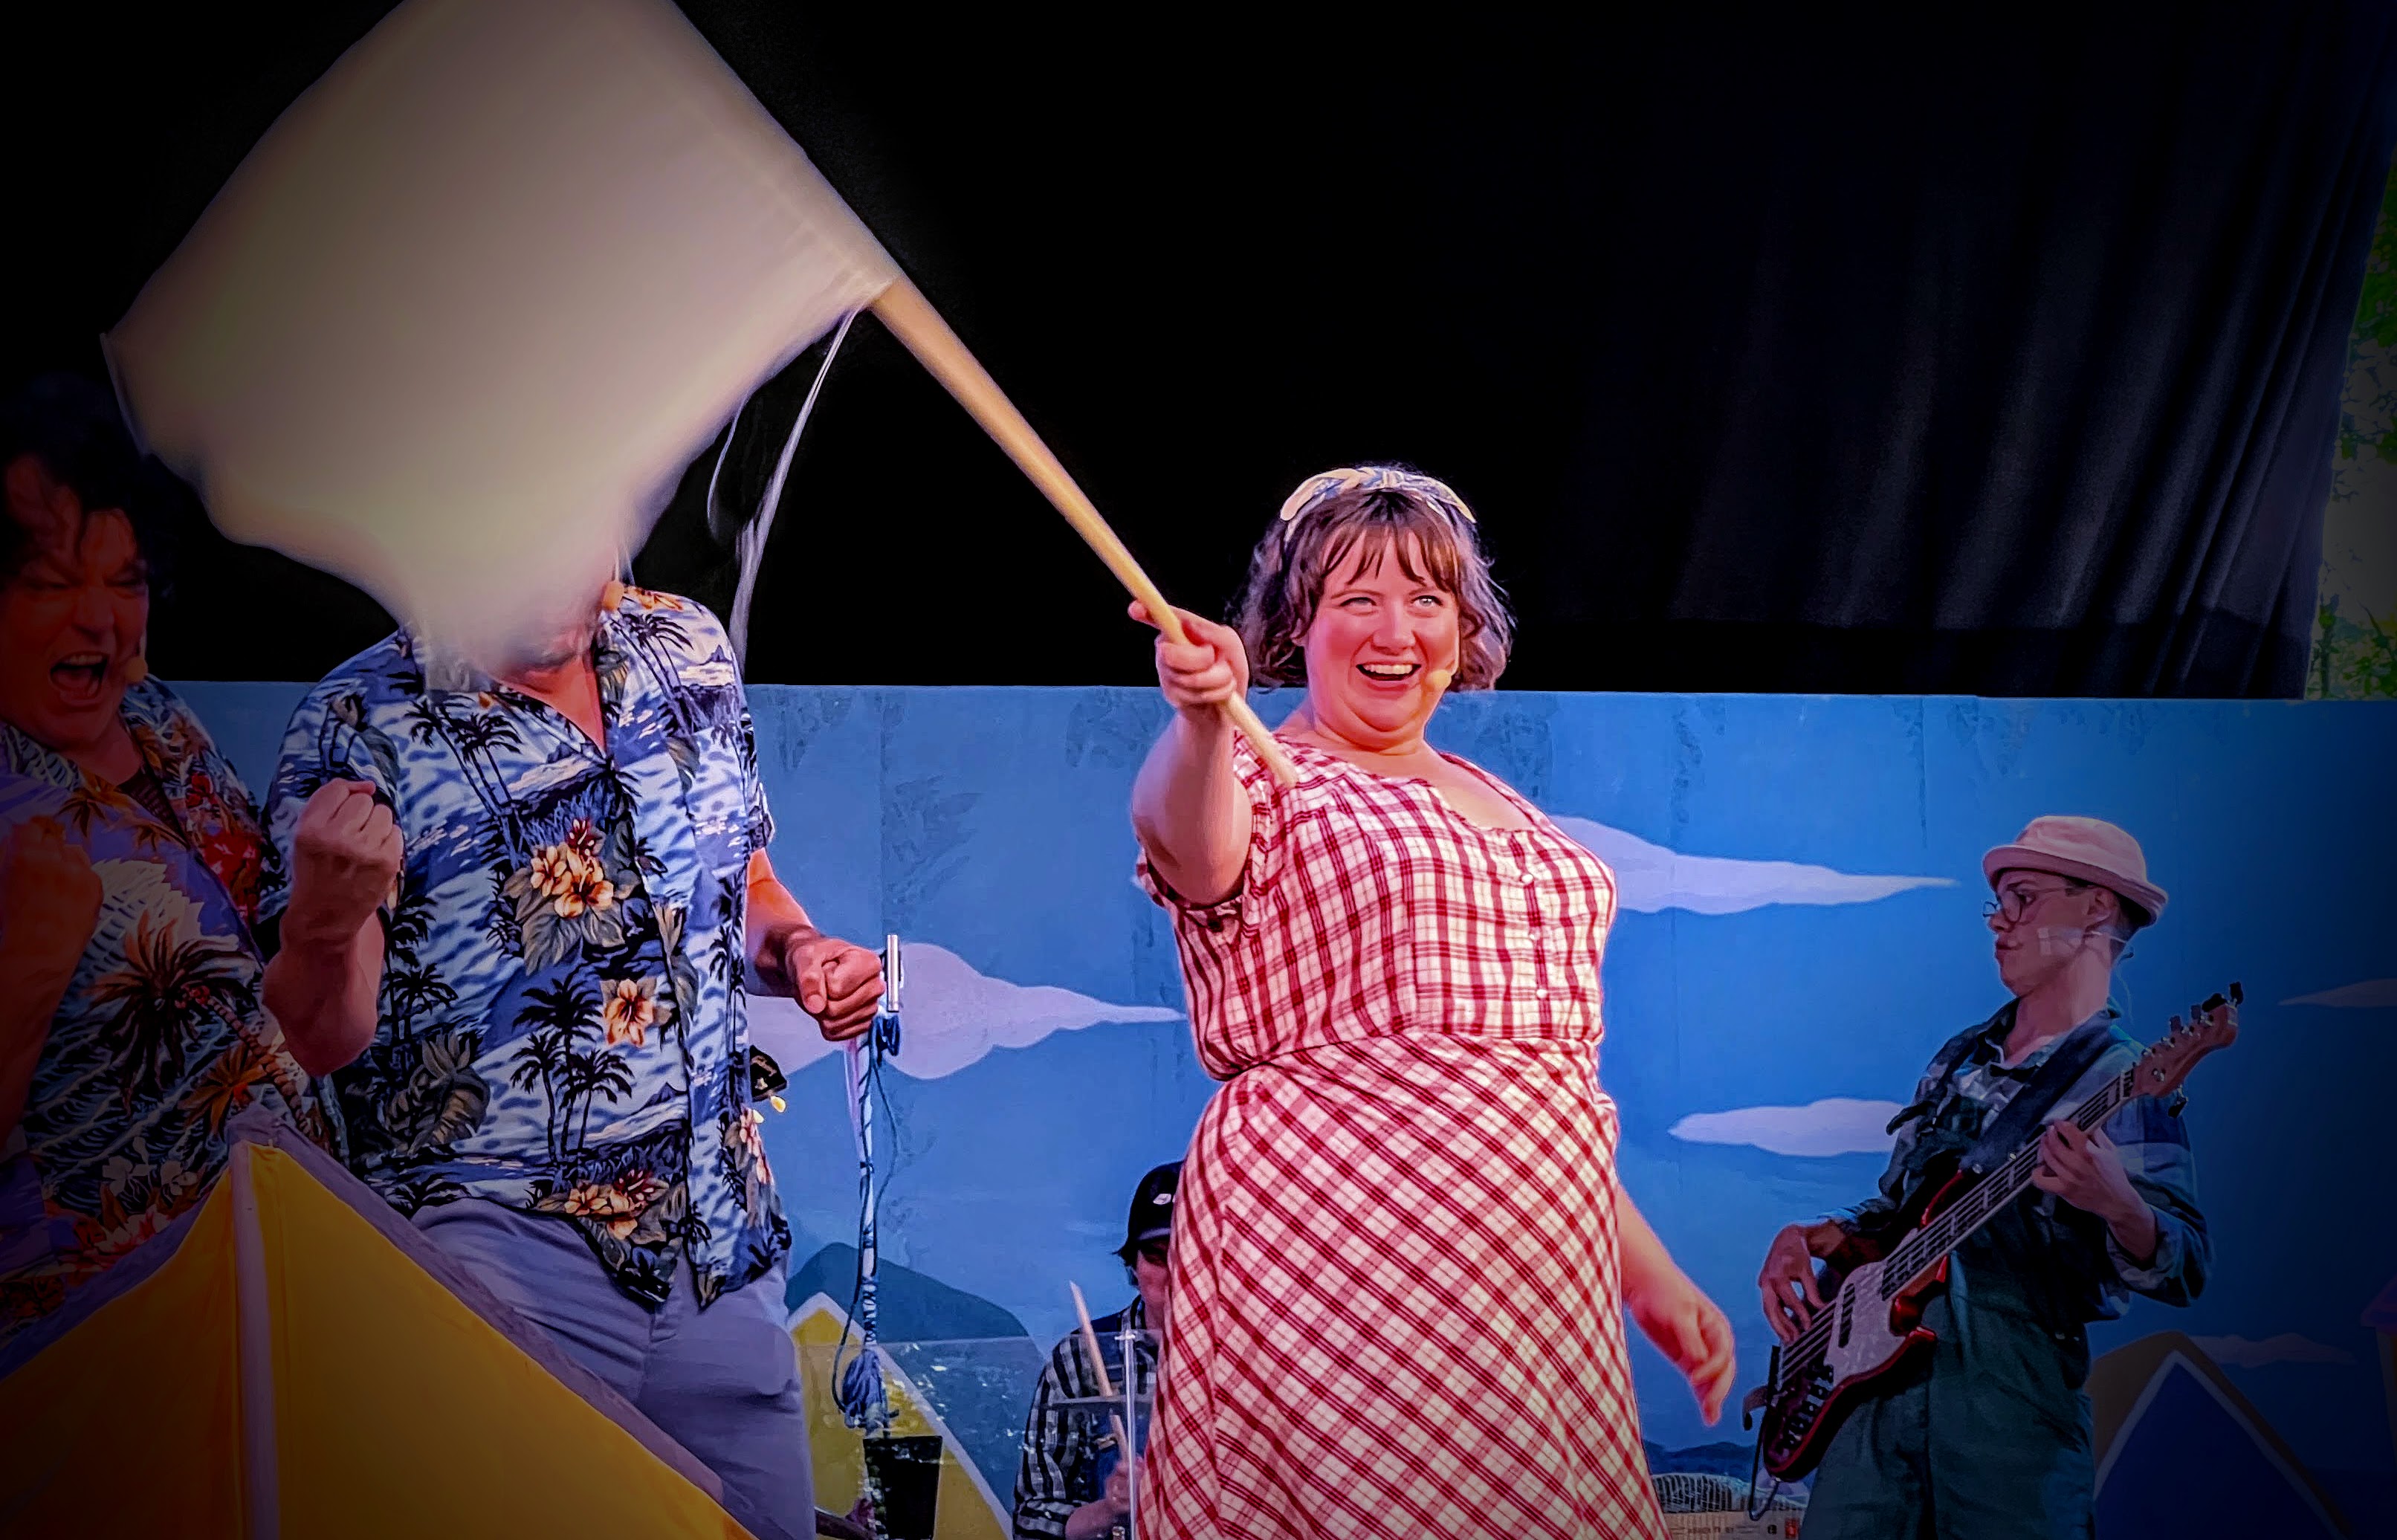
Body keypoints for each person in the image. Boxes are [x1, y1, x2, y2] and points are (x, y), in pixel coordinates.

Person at [1128, 465, 1736, 1539]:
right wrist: (1206, 720)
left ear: (1464, 626)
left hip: (1535, 1280)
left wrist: (1649, 1278)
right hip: (1346, 1244)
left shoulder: (1493, 797)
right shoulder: (1268, 770)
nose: (1396, 629)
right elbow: (1188, 843)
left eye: (1426, 597)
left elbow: (1537, 1080)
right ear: (1298, 623)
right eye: (1357, 598)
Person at [258, 575, 883, 1540]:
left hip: (719, 1246)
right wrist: (322, 926)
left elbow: (745, 879)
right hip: (499, 1257)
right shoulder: (359, 717)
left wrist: (799, 952)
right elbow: (322, 1035)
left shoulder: (685, 647)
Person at [1755, 815, 2210, 1539]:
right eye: (1998, 902)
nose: (2000, 920)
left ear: (2097, 906)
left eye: (2024, 898)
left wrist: (2118, 1203)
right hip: (1872, 1408)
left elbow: (2184, 1266)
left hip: (2009, 1412)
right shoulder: (1959, 1057)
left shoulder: (2126, 1078)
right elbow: (1899, 1212)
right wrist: (1818, 1235)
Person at [0, 376, 324, 1342]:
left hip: (288, 1282)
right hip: (108, 1341)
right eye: (54, 583)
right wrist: (28, 968)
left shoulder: (157, 717)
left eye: (126, 580)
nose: (100, 619)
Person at [1013, 1161, 1179, 1540]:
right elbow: (1032, 1517)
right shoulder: (1081, 1357)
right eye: (1157, 1256)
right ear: (1133, 1265)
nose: (1175, 1272)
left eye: (1190, 1254)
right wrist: (1110, 1509)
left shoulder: (1249, 1356)